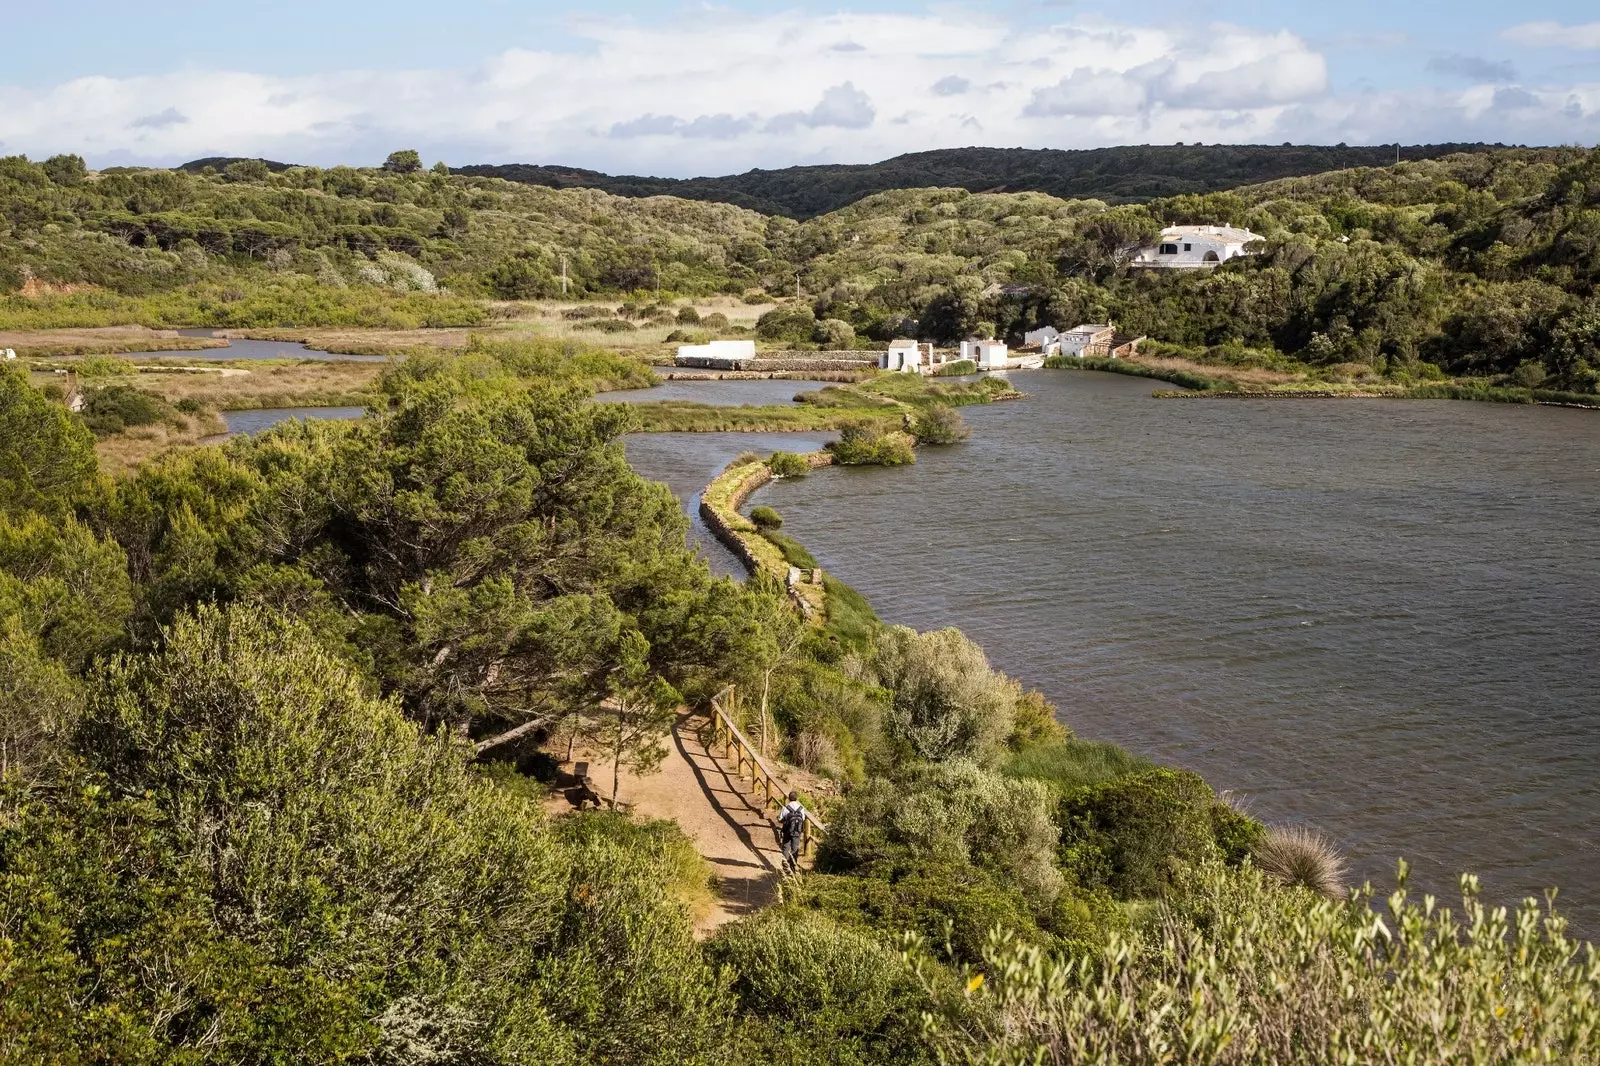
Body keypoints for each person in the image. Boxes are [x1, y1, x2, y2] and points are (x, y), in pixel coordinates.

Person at [777, 790, 808, 874]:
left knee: (786, 847)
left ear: (789, 798)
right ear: (796, 798)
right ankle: (793, 866)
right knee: (795, 848)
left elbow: (780, 819)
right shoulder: (801, 808)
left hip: (787, 831)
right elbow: (803, 818)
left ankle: (785, 867)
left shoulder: (785, 807)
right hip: (797, 832)